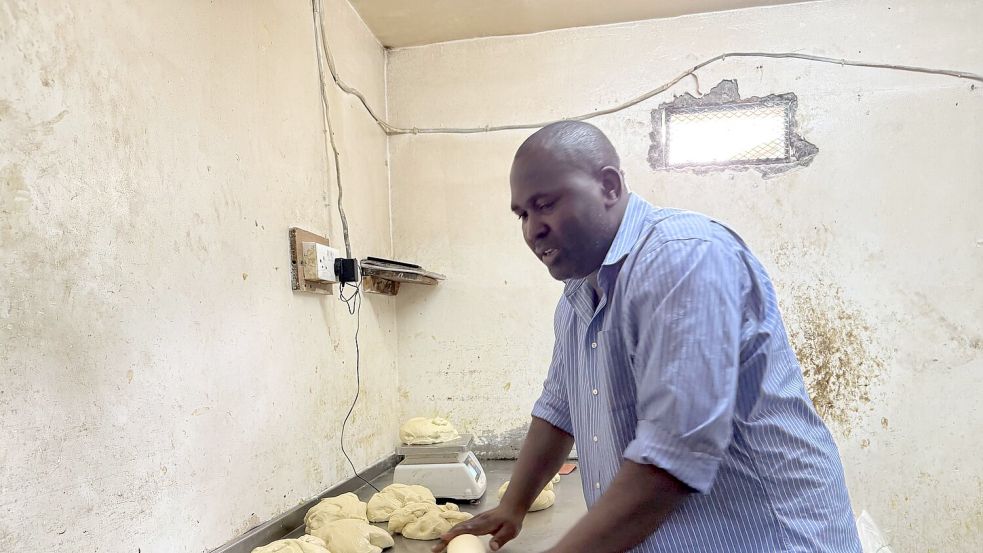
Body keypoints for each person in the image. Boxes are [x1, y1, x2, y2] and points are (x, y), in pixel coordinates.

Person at [436, 121, 862, 553]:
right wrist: (513, 506)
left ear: (608, 186)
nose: (532, 230)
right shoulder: (577, 299)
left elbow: (672, 456)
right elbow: (559, 409)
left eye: (544, 205)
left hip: (770, 539)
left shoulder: (684, 259)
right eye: (522, 214)